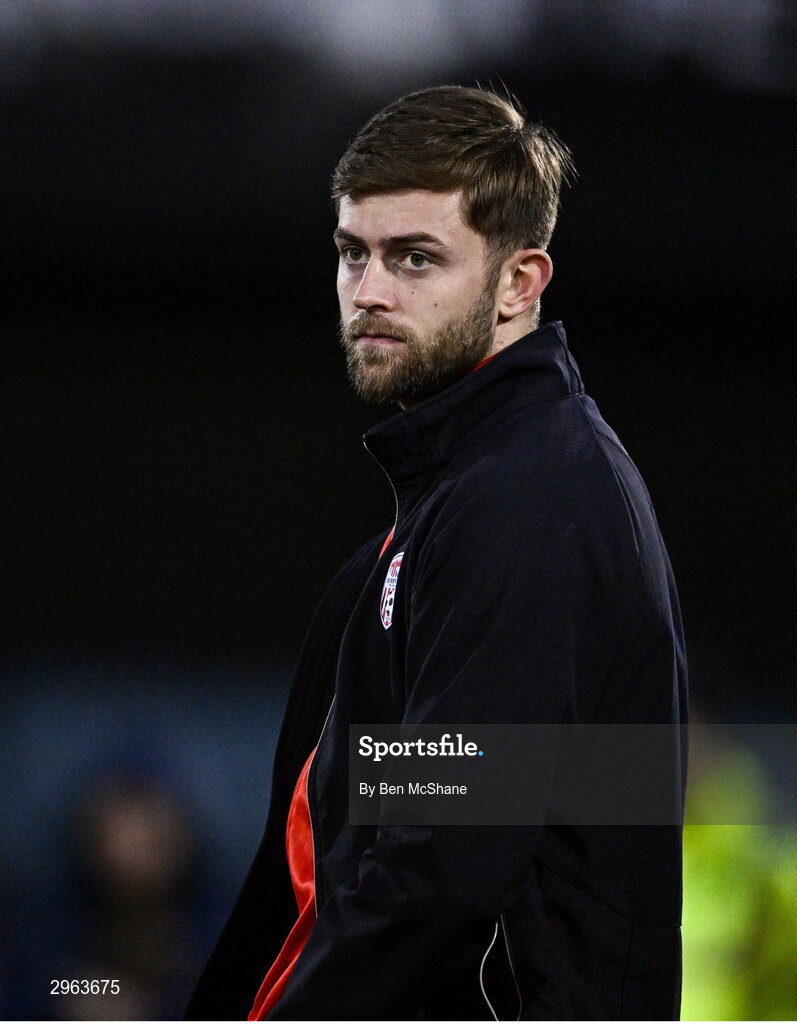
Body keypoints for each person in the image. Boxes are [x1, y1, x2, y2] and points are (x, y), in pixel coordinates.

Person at [185, 85, 688, 1021]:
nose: (369, 291)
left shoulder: (531, 503)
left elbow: (439, 875)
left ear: (518, 283)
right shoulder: (467, 495)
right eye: (352, 253)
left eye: (415, 258)